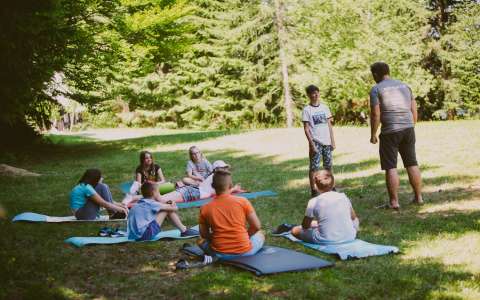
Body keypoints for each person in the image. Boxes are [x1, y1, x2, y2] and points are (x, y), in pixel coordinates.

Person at [369, 62, 423, 209]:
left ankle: (394, 202)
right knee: (412, 163)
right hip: (408, 128)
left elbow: (375, 114)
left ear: (375, 74)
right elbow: (413, 109)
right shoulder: (405, 86)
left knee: (390, 166)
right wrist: (412, 125)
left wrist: (373, 134)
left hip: (390, 132)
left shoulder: (376, 89)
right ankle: (418, 197)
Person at [197, 169, 264, 259]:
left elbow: (204, 234)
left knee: (200, 240)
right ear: (231, 185)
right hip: (246, 252)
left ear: (212, 186)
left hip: (219, 254)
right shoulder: (242, 201)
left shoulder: (205, 207)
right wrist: (246, 236)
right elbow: (256, 227)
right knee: (260, 233)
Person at [290, 170, 359, 244]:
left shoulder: (314, 201)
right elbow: (354, 218)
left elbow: (305, 226)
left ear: (315, 186)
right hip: (350, 236)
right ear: (333, 184)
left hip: (327, 240)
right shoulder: (343, 197)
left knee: (295, 230)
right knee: (314, 223)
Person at [127, 182, 198, 241]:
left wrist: (165, 204)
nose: (159, 193)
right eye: (158, 192)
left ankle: (184, 230)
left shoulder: (141, 202)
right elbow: (174, 209)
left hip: (135, 236)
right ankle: (184, 230)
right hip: (144, 236)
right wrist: (173, 204)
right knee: (166, 210)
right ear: (154, 193)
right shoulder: (152, 204)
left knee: (165, 208)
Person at [302, 84, 336, 197]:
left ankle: (331, 186)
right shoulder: (307, 110)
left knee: (329, 165)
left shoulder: (325, 107)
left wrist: (332, 141)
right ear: (308, 95)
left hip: (327, 141)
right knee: (314, 167)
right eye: (313, 93)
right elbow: (306, 128)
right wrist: (312, 144)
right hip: (316, 141)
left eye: (317, 92)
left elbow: (329, 126)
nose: (315, 95)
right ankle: (314, 190)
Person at [161, 160, 244, 203]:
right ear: (216, 169)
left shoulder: (214, 176)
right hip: (193, 192)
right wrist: (234, 189)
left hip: (192, 190)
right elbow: (220, 193)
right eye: (223, 168)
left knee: (161, 199)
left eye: (226, 167)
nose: (226, 169)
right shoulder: (216, 177)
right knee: (161, 200)